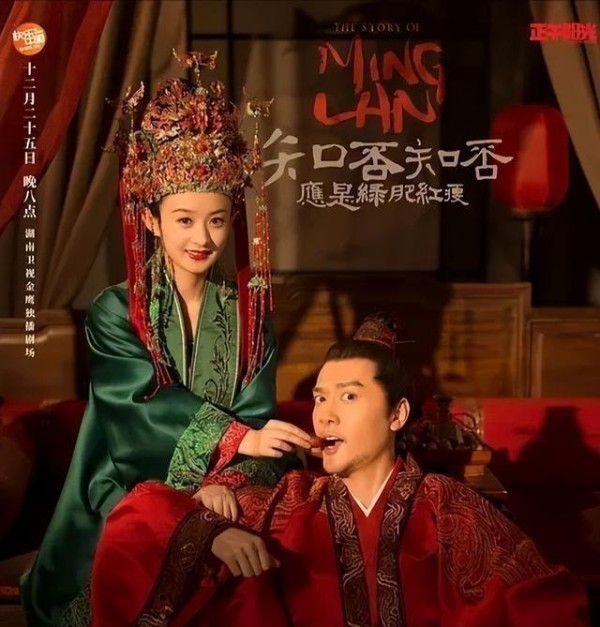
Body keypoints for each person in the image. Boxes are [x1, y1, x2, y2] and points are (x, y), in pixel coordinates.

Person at [21, 52, 311, 627]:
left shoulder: (250, 312)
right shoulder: (115, 311)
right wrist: (236, 442)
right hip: (129, 486)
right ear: (152, 220)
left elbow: (257, 414)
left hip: (230, 485)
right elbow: (134, 413)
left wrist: (225, 478)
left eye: (217, 220)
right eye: (184, 219)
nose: (202, 238)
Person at [91, 313, 591, 627]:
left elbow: (540, 600)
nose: (325, 415)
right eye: (320, 399)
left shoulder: (447, 507)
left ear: (397, 414)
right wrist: (209, 531)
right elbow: (137, 520)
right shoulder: (292, 502)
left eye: (349, 397)